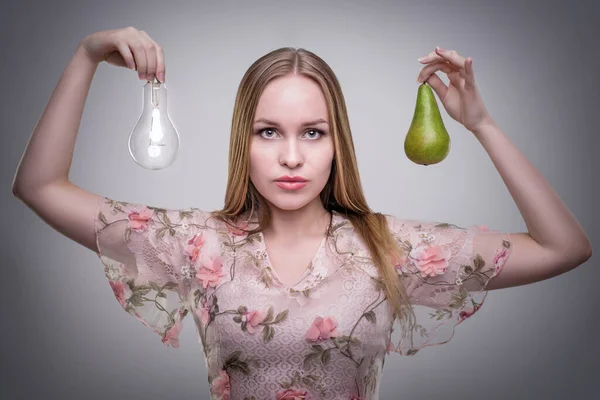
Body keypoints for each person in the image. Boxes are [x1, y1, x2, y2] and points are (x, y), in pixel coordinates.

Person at [11, 26, 592, 400]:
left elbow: (564, 247)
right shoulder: (197, 245)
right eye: (270, 132)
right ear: (245, 141)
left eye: (313, 132)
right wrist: (86, 53)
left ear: (338, 141)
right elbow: (38, 185)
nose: (291, 156)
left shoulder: (387, 249)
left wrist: (481, 124)